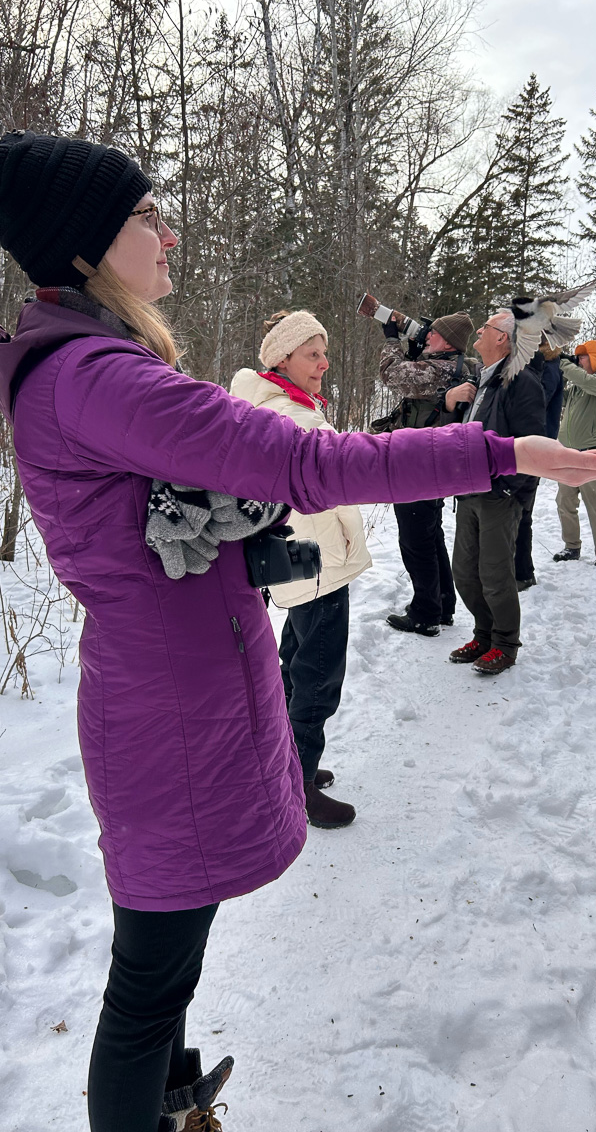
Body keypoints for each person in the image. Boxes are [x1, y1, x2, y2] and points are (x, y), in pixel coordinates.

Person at [0, 131, 596, 1132]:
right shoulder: (97, 381)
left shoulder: (91, 365)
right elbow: (311, 464)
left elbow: (156, 541)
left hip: (180, 695)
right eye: (146, 216)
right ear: (84, 245)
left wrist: (253, 558)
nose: (169, 233)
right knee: (149, 982)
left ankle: (175, 1104)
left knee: (171, 964)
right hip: (169, 719)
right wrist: (508, 450)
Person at [230, 310, 370, 829]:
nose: (324, 364)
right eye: (312, 354)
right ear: (282, 358)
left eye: (324, 353)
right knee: (317, 675)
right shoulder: (292, 417)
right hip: (318, 563)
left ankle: (289, 767)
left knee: (294, 663)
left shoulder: (277, 405)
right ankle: (301, 787)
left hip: (306, 559)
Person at [447, 311, 546, 675]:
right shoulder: (482, 378)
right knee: (465, 572)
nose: (478, 332)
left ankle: (505, 643)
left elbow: (533, 443)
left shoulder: (522, 382)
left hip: (498, 494)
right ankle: (484, 633)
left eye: (485, 327)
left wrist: (511, 491)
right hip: (469, 490)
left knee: (494, 574)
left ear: (501, 338)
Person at [378, 310, 478, 636]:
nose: (427, 335)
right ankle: (443, 604)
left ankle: (425, 613)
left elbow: (391, 375)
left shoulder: (438, 370)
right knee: (431, 535)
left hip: (418, 466)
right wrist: (418, 346)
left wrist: (392, 339)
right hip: (438, 464)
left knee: (415, 539)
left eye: (432, 333)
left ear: (447, 340)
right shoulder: (462, 366)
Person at [553, 337, 596, 568]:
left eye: (582, 357)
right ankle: (571, 547)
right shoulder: (578, 388)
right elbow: (559, 397)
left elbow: (587, 381)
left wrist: (563, 363)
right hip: (569, 451)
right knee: (564, 501)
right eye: (578, 357)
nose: (579, 361)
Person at [514, 336, 566, 589]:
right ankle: (521, 572)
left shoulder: (548, 368)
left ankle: (522, 573)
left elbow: (534, 401)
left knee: (521, 514)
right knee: (521, 513)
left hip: (533, 448)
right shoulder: (547, 366)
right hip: (531, 446)